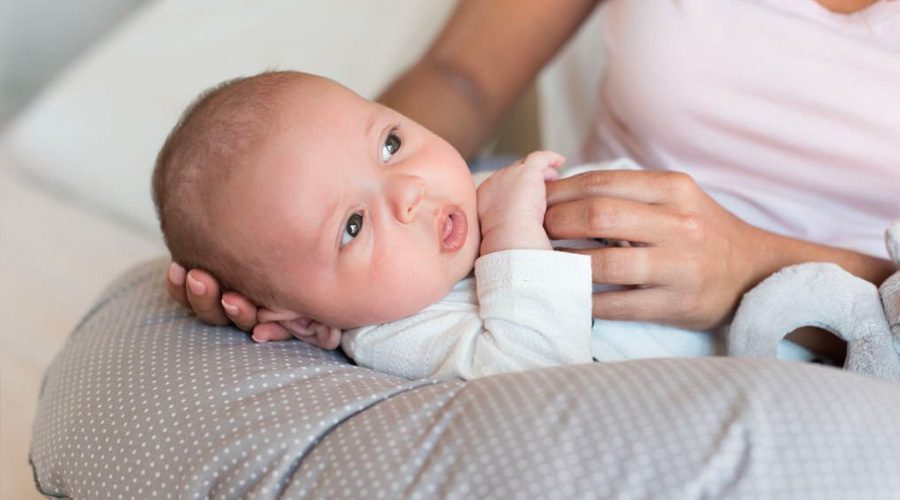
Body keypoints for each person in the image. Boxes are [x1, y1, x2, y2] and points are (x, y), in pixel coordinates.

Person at [166, 0, 898, 351]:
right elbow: (461, 78)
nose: (408, 190)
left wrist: (751, 267)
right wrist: (287, 240)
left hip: (849, 338)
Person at [160, 70, 800, 380]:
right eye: (353, 226)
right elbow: (536, 377)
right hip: (781, 367)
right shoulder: (404, 330)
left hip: (798, 287)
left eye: (389, 144)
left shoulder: (473, 197)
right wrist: (515, 230)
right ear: (307, 322)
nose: (409, 191)